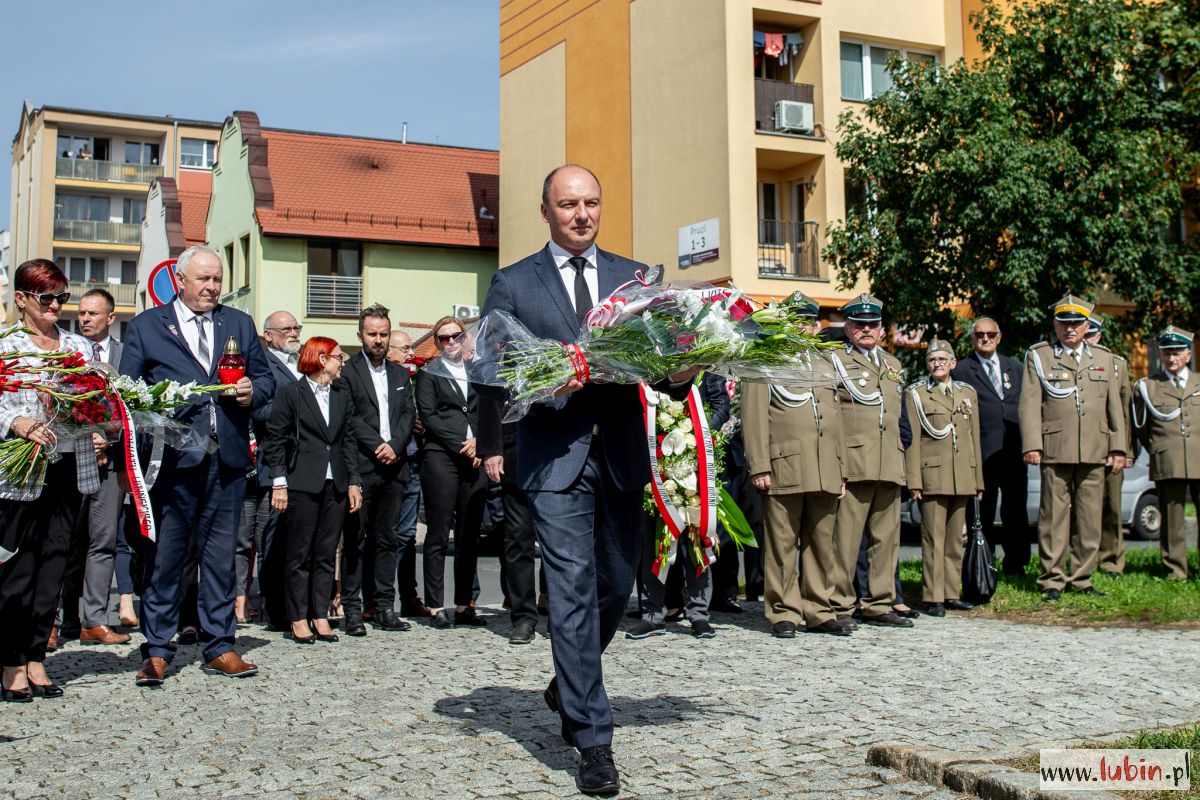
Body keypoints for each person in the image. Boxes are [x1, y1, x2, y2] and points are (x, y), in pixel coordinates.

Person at [477, 164, 694, 795]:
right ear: (544, 211)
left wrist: (685, 364)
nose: (581, 214)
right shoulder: (515, 283)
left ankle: (569, 680)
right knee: (569, 589)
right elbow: (494, 369)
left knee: (617, 584)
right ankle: (592, 739)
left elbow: (660, 371)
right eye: (568, 204)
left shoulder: (636, 278)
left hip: (621, 453)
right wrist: (547, 380)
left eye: (591, 203)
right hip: (553, 456)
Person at [121, 244, 273, 686]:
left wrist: (252, 392)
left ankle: (221, 645)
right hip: (172, 462)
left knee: (222, 559)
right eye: (203, 279)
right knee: (166, 558)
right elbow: (129, 391)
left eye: (217, 279)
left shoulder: (238, 323)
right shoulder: (149, 327)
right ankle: (157, 649)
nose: (212, 287)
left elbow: (264, 379)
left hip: (225, 459)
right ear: (180, 280)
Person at [0, 260, 103, 701]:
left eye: (62, 297)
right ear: (22, 299)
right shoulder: (8, 346)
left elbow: (94, 398)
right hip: (22, 471)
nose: (57, 306)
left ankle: (38, 656)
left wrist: (97, 422)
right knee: (19, 569)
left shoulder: (78, 345)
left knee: (55, 563)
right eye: (48, 299)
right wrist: (18, 422)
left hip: (67, 463)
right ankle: (10, 664)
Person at [743, 292, 850, 637]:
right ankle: (784, 611)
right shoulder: (766, 359)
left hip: (825, 467)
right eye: (797, 320)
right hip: (784, 465)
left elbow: (838, 420)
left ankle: (820, 609)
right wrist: (760, 464)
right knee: (782, 544)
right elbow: (754, 416)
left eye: (810, 320)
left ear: (818, 325)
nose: (805, 326)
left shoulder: (825, 362)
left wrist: (842, 468)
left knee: (822, 543)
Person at [1018, 294, 1126, 602]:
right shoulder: (1040, 356)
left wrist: (1118, 447)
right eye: (1064, 323)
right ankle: (1052, 578)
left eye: (1077, 323)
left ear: (1086, 325)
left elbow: (1114, 407)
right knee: (1053, 516)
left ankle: (1082, 577)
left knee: (1090, 518)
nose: (1070, 329)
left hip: (1095, 448)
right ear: (1055, 324)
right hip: (1056, 447)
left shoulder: (1104, 358)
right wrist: (1033, 445)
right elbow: (1029, 404)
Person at [264, 337, 362, 644]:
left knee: (325, 552)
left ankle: (320, 614)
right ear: (321, 359)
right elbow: (276, 441)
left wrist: (354, 482)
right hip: (302, 482)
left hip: (336, 483)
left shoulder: (341, 395)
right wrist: (279, 482)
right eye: (337, 356)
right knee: (299, 554)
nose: (342, 361)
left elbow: (348, 441)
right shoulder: (292, 393)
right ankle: (298, 617)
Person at [828, 294, 912, 629]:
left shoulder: (893, 365)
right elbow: (832, 416)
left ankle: (879, 602)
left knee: (886, 540)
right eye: (859, 324)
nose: (866, 329)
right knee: (846, 540)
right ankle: (840, 603)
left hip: (889, 461)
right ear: (847, 328)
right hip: (855, 461)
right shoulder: (835, 360)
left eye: (872, 324)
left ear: (881, 329)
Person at [57, 288, 131, 646]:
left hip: (109, 462)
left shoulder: (125, 355)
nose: (85, 318)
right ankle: (56, 621)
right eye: (82, 312)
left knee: (103, 541)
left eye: (93, 313)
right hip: (70, 460)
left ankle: (95, 621)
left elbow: (132, 409)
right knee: (64, 541)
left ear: (110, 318)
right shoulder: (68, 352)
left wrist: (109, 437)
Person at [337, 304, 416, 637]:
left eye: (384, 334)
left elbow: (408, 415)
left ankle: (384, 605)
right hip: (362, 465)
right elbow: (349, 417)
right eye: (372, 334)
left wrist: (395, 445)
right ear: (360, 335)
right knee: (355, 539)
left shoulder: (399, 374)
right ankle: (352, 609)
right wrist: (378, 444)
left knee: (387, 539)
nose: (379, 340)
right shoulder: (348, 372)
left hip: (394, 467)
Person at [416, 316, 489, 628]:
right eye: (442, 338)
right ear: (437, 343)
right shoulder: (428, 373)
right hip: (441, 457)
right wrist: (463, 443)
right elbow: (429, 417)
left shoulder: (478, 370)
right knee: (438, 532)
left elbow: (490, 409)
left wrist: (480, 442)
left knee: (469, 535)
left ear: (464, 337)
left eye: (455, 336)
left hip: (475, 457)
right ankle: (435, 605)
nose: (449, 343)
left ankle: (464, 604)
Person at [904, 340, 985, 616]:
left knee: (954, 541)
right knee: (933, 538)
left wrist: (978, 481)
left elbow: (974, 439)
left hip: (961, 475)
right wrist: (914, 481)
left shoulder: (967, 393)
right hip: (932, 476)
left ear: (953, 363)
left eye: (942, 359)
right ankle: (933, 596)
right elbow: (912, 441)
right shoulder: (916, 394)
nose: (937, 364)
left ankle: (952, 592)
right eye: (932, 360)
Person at [951, 317, 1029, 576]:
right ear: (973, 338)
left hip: (1012, 450)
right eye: (980, 334)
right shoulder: (962, 370)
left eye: (990, 334)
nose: (985, 338)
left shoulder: (1014, 368)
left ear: (999, 336)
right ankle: (984, 563)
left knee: (1015, 509)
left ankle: (1017, 563)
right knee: (982, 512)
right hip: (982, 452)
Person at [246, 310, 302, 628]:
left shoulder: (304, 362)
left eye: (296, 327)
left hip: (305, 462)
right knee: (274, 538)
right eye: (286, 329)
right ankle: (274, 606)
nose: (293, 333)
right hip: (276, 460)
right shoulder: (263, 365)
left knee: (298, 538)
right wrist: (298, 411)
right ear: (269, 335)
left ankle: (296, 604)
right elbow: (260, 410)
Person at [1132, 326, 1198, 580]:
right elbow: (1142, 429)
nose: (1171, 358)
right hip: (1168, 458)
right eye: (1167, 352)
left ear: (1188, 355)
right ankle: (1176, 570)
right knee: (1172, 519)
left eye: (1177, 352)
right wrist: (1160, 449)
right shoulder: (1148, 387)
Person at [386, 330, 432, 619]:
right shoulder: (384, 377)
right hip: (386, 462)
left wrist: (421, 424)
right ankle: (378, 599)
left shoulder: (416, 379)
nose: (408, 353)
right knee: (380, 535)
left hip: (413, 460)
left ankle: (409, 596)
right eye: (403, 348)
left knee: (406, 535)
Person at [1086, 316, 1133, 576]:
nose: (1088, 340)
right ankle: (1085, 562)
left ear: (1099, 336)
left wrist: (1125, 449)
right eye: (1085, 335)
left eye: (1092, 335)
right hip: (1083, 446)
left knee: (1112, 508)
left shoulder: (1116, 364)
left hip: (1110, 447)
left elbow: (1125, 413)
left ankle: (1112, 560)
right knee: (1083, 510)